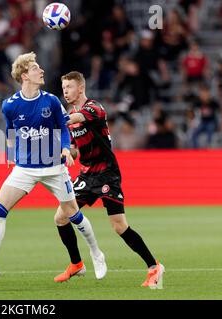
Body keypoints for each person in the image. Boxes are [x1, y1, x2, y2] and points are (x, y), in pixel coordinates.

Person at [0, 52, 106, 283]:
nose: (41, 71)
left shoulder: (51, 101)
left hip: (54, 167)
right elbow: (11, 131)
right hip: (25, 169)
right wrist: (12, 156)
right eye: (35, 68)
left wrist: (65, 148)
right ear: (25, 75)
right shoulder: (10, 105)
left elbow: (63, 128)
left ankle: (96, 253)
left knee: (73, 215)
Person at [62, 71, 164, 289]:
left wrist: (53, 118)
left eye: (69, 87)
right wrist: (68, 153)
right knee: (61, 216)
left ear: (80, 88)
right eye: (63, 88)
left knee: (119, 226)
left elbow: (77, 118)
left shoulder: (93, 108)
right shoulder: (71, 117)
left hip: (107, 172)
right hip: (87, 174)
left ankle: (154, 266)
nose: (65, 92)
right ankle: (76, 264)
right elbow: (75, 148)